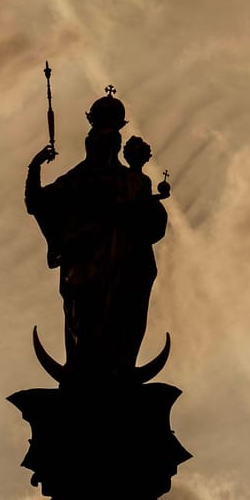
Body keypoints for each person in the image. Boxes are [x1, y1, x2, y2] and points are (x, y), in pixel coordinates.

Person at [24, 89, 168, 372]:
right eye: (98, 138)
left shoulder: (134, 181)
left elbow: (152, 224)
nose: (104, 143)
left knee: (125, 314)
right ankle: (85, 367)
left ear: (117, 144)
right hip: (87, 262)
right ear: (90, 142)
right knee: (86, 317)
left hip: (128, 262)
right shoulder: (79, 179)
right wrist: (35, 165)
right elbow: (37, 203)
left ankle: (121, 365)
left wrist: (150, 209)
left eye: (110, 138)